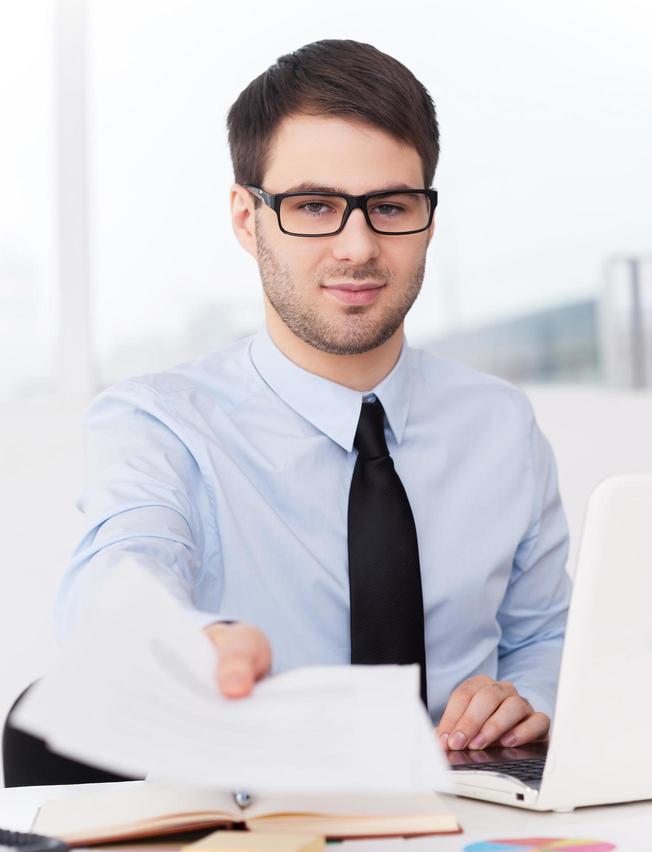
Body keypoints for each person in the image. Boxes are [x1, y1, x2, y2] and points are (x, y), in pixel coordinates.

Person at [54, 38, 572, 759]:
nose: (357, 246)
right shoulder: (160, 425)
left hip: (474, 829)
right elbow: (118, 580)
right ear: (246, 217)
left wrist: (530, 698)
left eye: (390, 206)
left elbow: (547, 636)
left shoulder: (499, 425)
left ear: (429, 213)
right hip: (260, 824)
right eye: (315, 205)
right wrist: (187, 644)